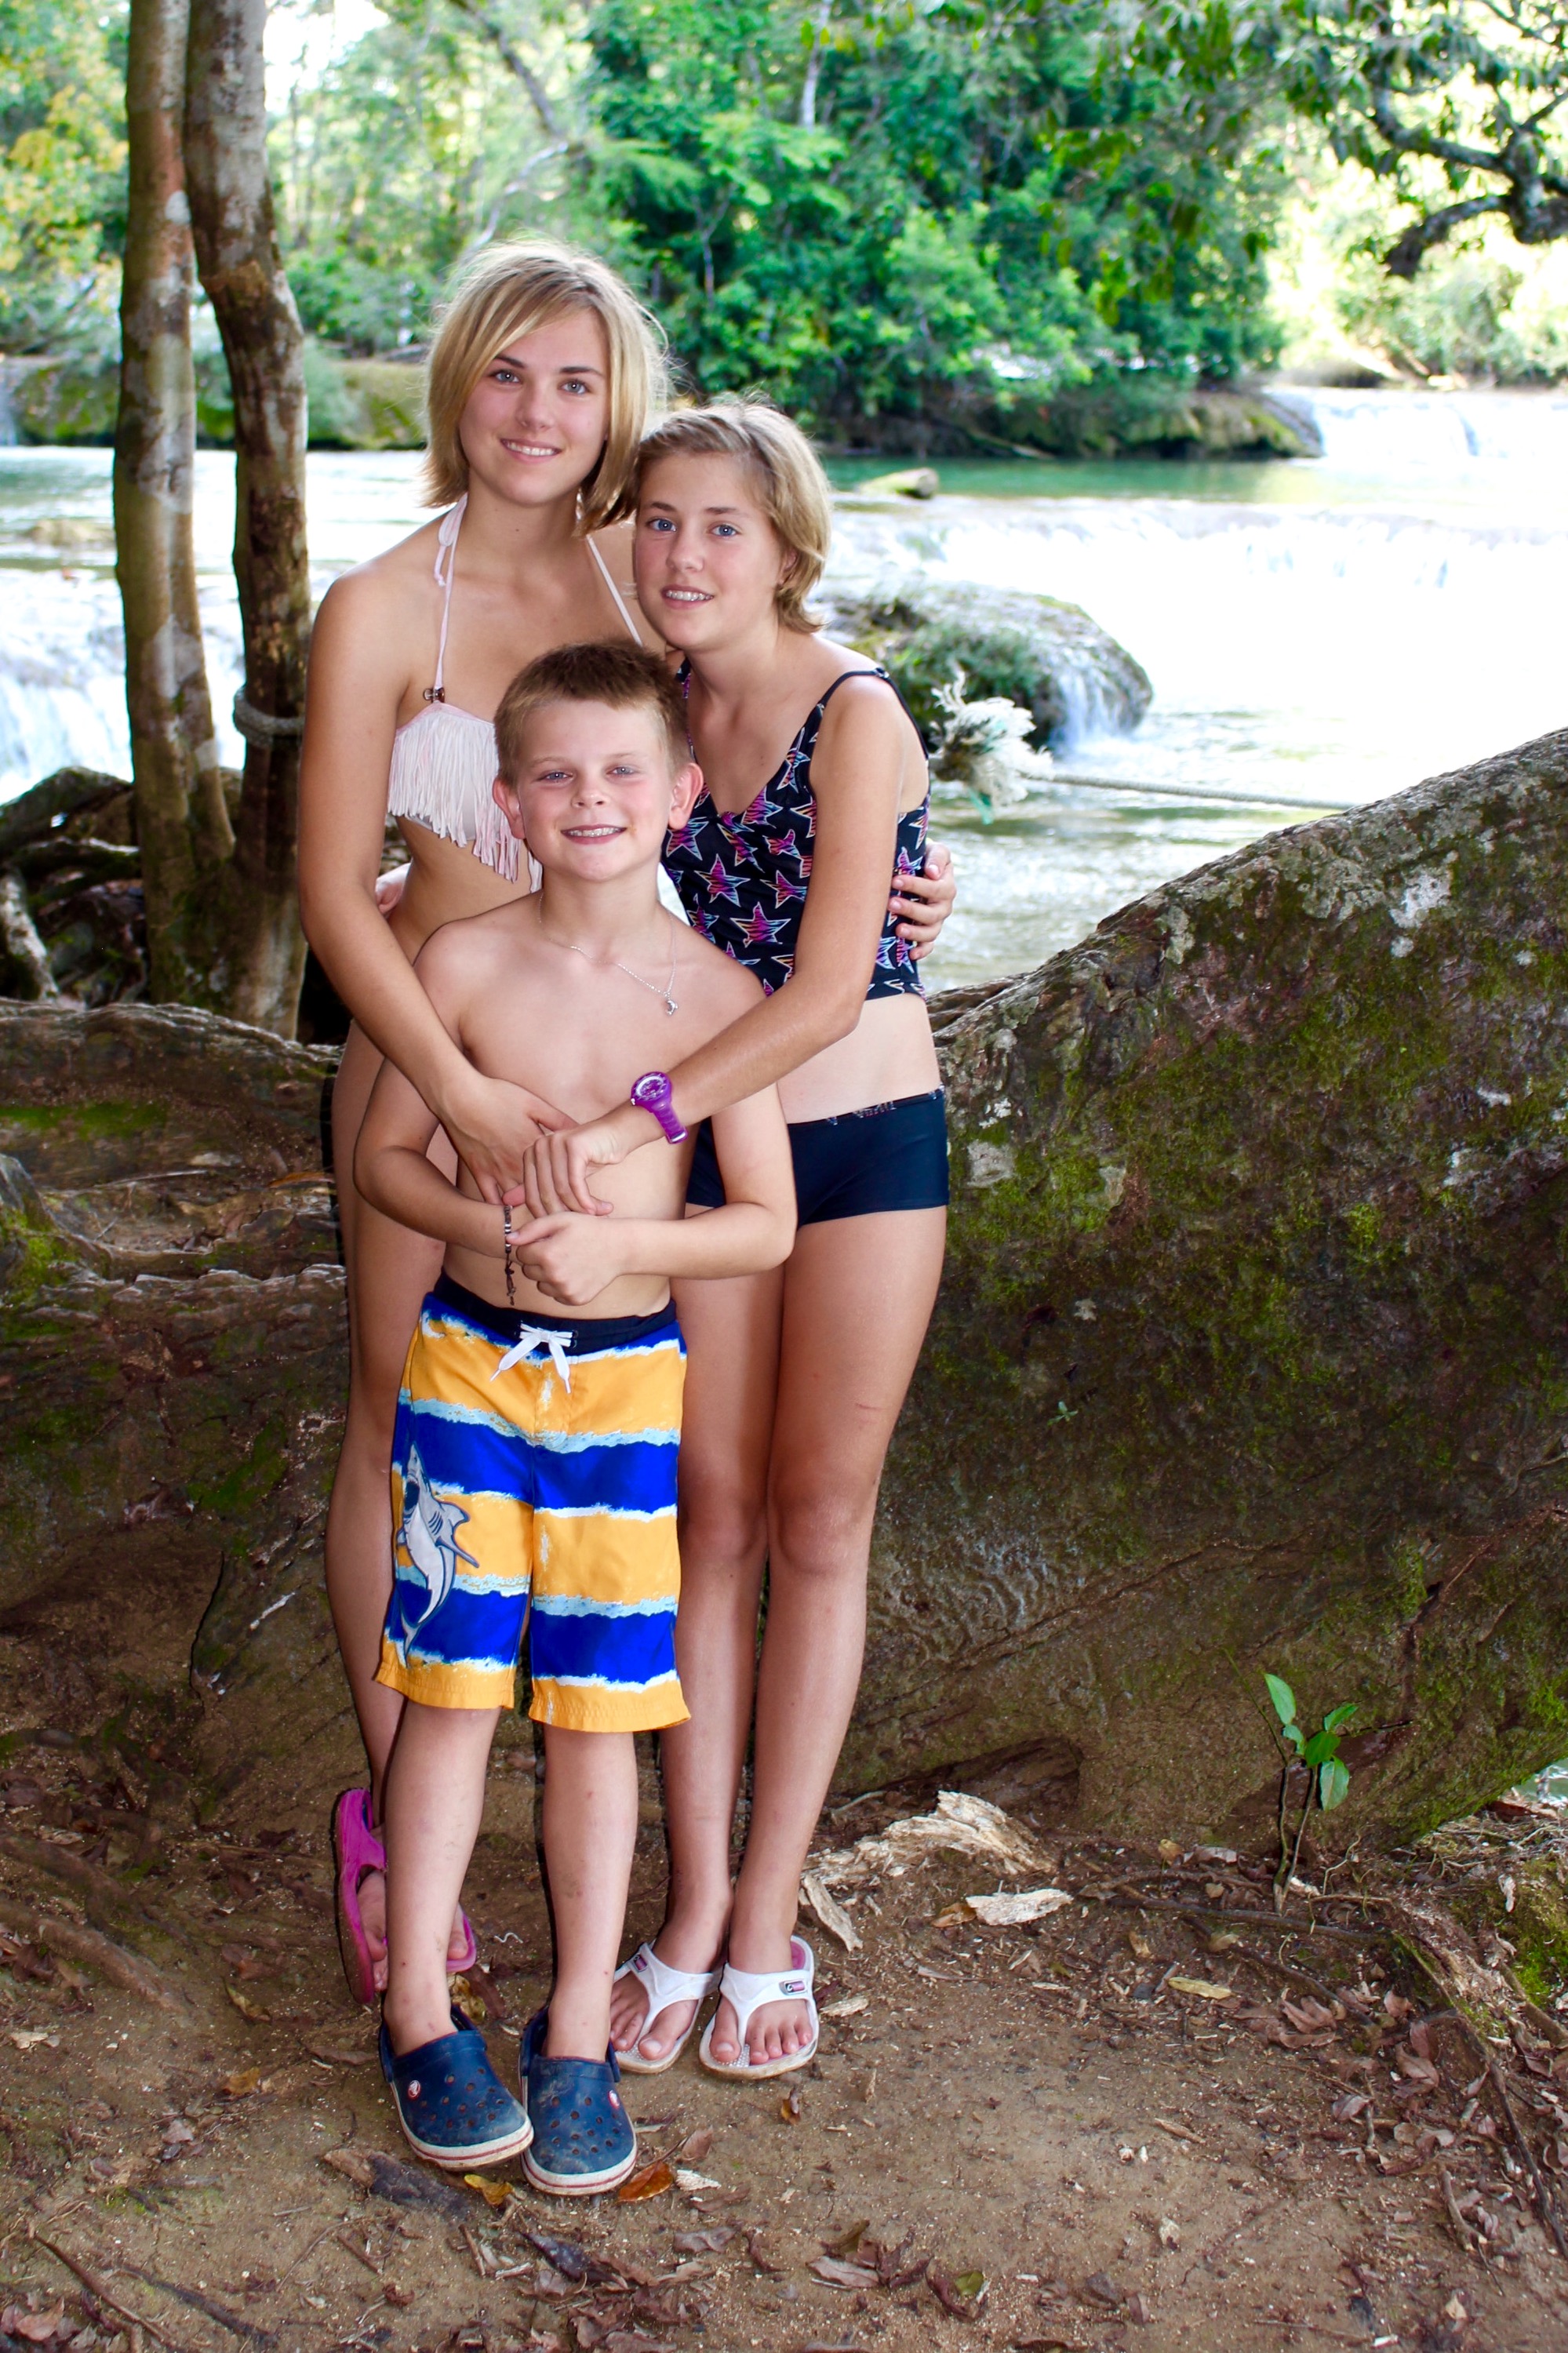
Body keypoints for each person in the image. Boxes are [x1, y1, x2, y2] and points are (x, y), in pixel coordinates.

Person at [297, 240, 958, 2009]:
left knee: (651, 1459)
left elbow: (763, 765)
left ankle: (682, 1899)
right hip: (437, 1052)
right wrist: (457, 1088)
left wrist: (905, 874)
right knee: (400, 1413)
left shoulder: (643, 576)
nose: (537, 412)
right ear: (455, 380)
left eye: (576, 382)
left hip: (642, 1095)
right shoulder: (383, 605)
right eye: (507, 372)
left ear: (619, 409)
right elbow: (337, 893)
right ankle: (403, 1831)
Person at [518, 404, 949, 2080]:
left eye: (723, 527)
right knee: (709, 1517)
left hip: (860, 1143)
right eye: (660, 521)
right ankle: (691, 1908)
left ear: (787, 549)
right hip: (707, 1164)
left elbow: (831, 988)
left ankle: (771, 1915)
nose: (684, 555)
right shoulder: (647, 710)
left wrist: (635, 1117)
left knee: (821, 1518)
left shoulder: (860, 714)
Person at [354, 641, 795, 2184]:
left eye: (621, 772)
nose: (588, 799)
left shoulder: (719, 998)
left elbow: (764, 1227)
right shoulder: (461, 966)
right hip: (468, 1370)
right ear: (507, 801)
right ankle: (418, 2012)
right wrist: (481, 1212)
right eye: (554, 774)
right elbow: (386, 1165)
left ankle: (579, 2043)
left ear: (680, 794)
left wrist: (624, 1248)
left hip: (626, 1388)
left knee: (602, 1707)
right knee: (453, 1687)